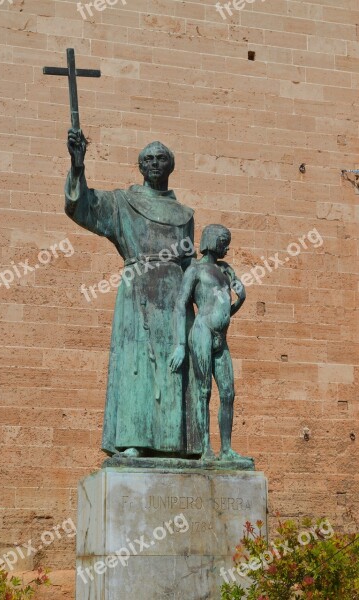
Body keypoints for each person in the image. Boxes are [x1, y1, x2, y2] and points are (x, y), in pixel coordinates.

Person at [66, 129, 195, 457]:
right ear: (140, 166)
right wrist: (78, 166)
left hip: (175, 296)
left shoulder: (185, 215)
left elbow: (190, 261)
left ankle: (176, 444)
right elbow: (83, 207)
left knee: (175, 365)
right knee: (136, 363)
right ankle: (133, 441)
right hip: (137, 290)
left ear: (171, 166)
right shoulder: (123, 202)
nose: (154, 163)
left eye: (160, 158)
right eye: (148, 159)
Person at [169, 224, 246, 461]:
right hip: (202, 332)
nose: (227, 246)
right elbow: (181, 303)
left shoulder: (225, 270)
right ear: (212, 241)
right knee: (204, 391)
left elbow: (234, 298)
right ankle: (205, 449)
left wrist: (238, 300)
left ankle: (226, 449)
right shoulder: (195, 270)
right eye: (224, 241)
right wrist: (180, 344)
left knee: (228, 393)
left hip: (220, 339)